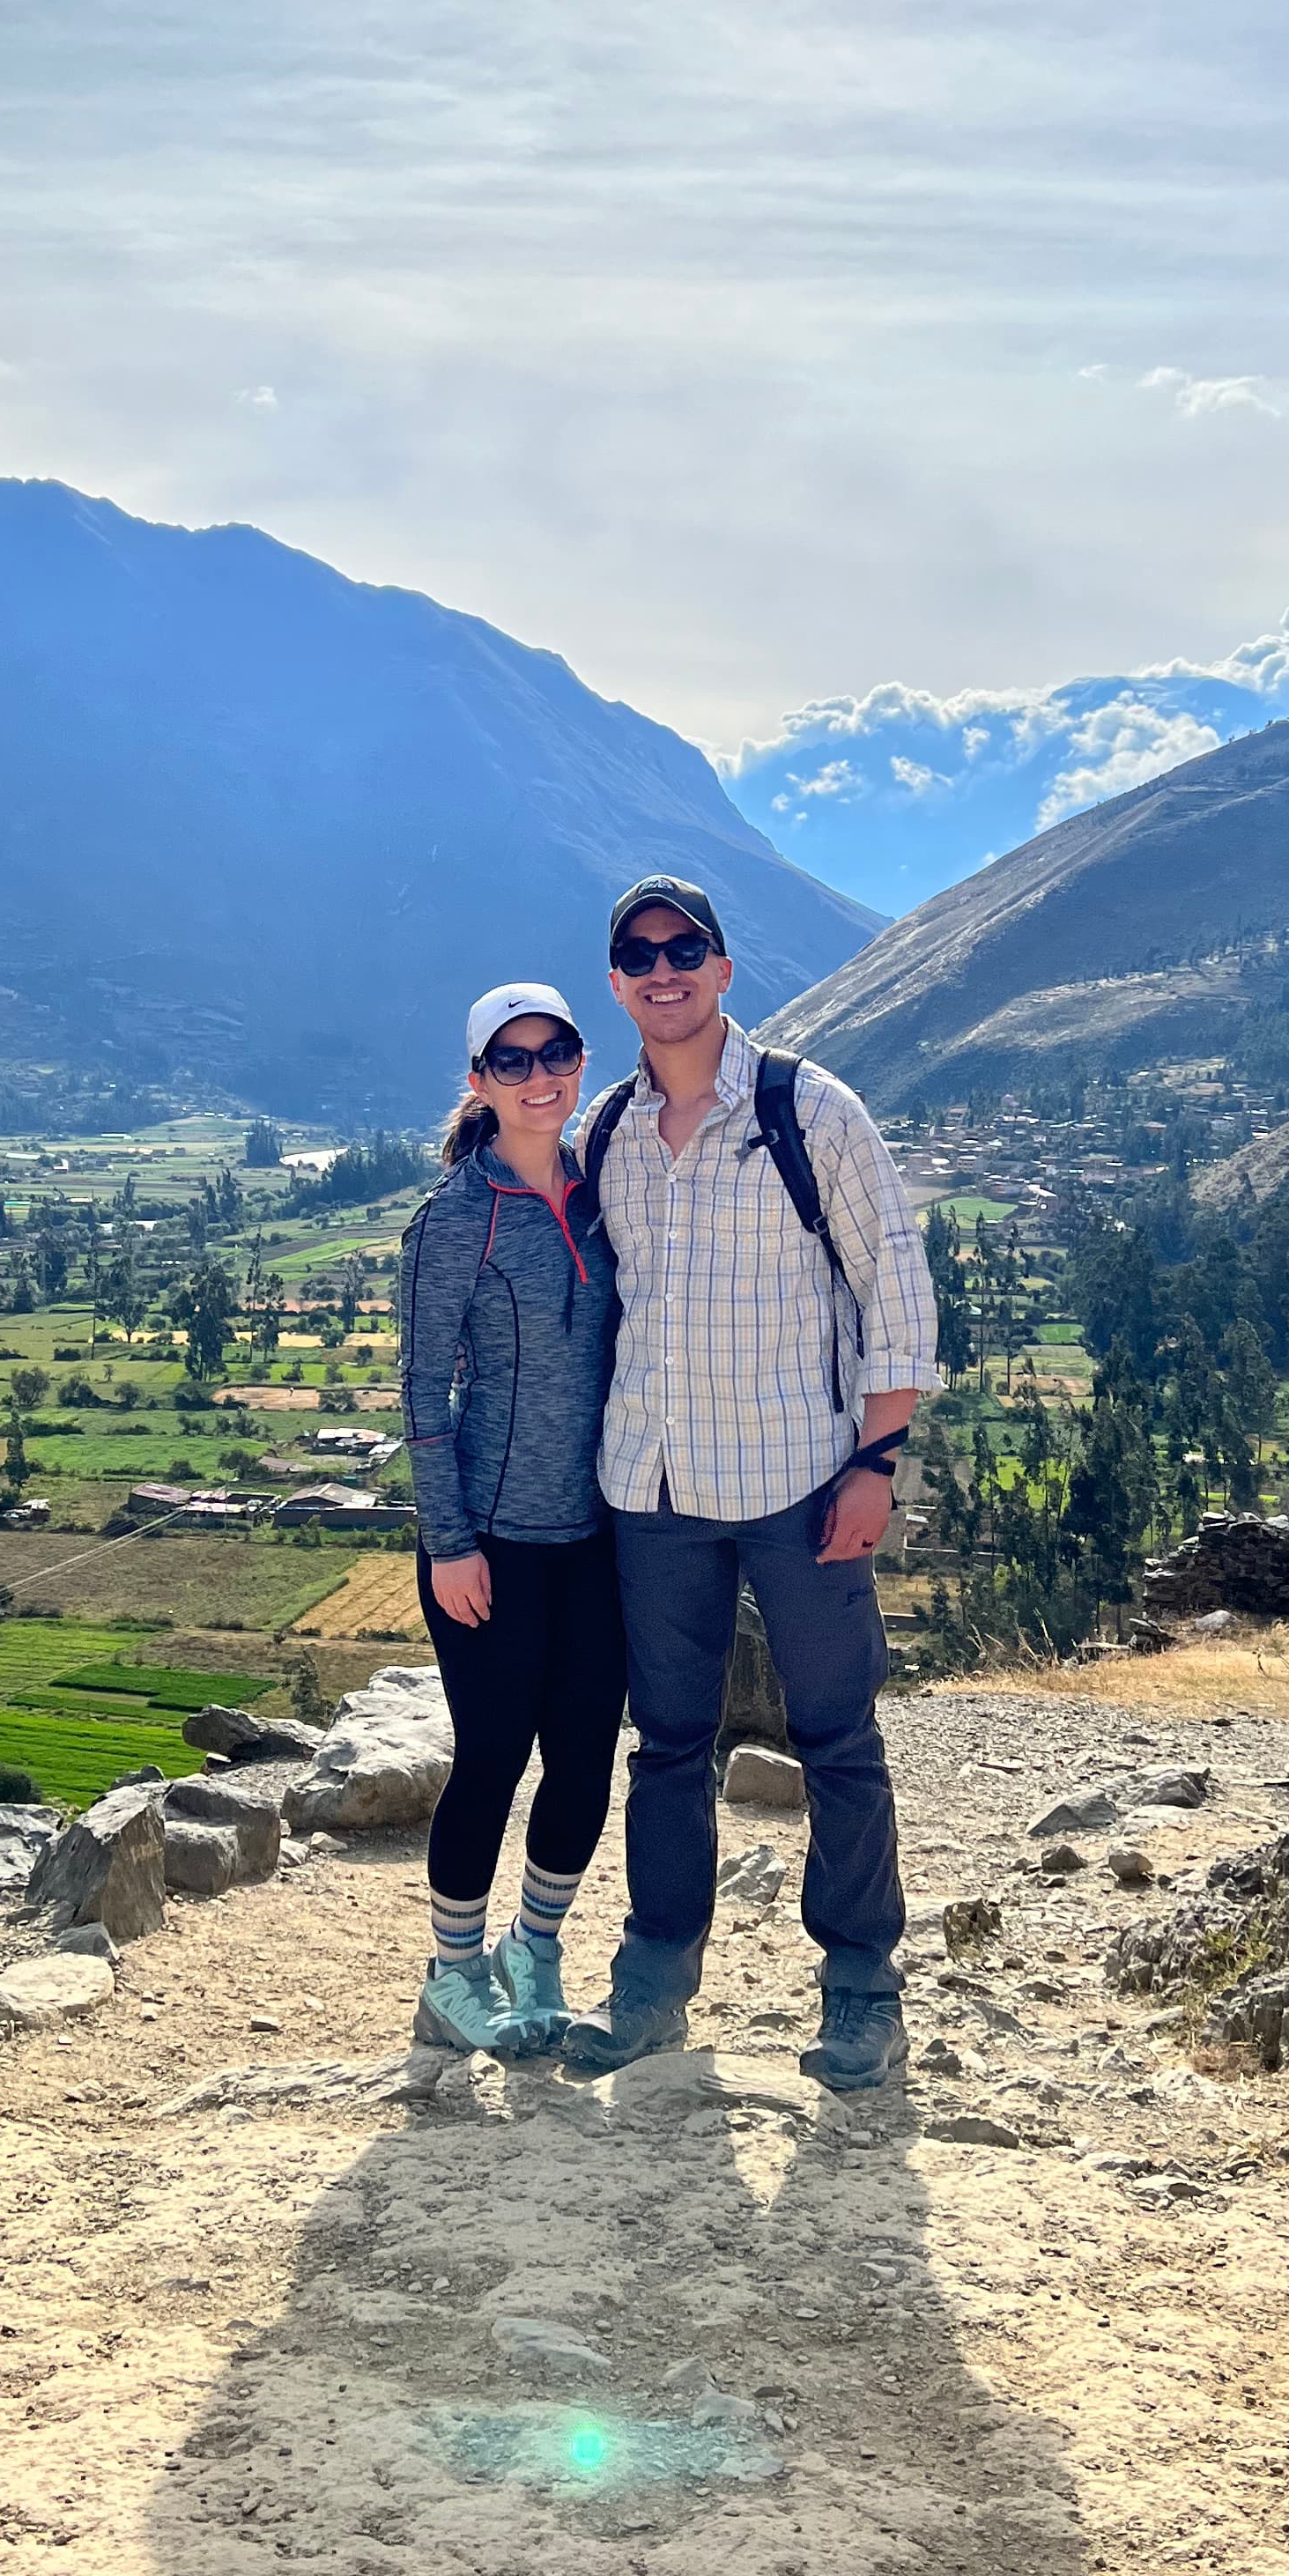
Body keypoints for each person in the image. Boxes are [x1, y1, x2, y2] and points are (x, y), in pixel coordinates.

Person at [562, 875, 937, 2092]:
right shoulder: (611, 1131)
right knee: (667, 1743)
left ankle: (862, 1991)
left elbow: (894, 1288)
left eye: (686, 949)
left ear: (726, 969)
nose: (663, 970)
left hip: (798, 1481)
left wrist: (877, 1461)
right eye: (639, 954)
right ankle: (654, 1979)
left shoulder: (808, 1110)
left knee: (837, 1736)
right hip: (654, 1488)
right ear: (617, 983)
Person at [395, 982, 626, 2057]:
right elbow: (422, 1389)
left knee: (582, 1759)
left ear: (580, 1063)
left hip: (600, 1535)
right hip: (488, 1539)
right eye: (514, 1061)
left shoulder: (609, 1189)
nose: (541, 1078)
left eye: (557, 1054)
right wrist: (447, 1544)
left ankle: (534, 1950)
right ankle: (451, 1975)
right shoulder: (453, 1218)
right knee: (491, 1758)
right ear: (480, 1083)